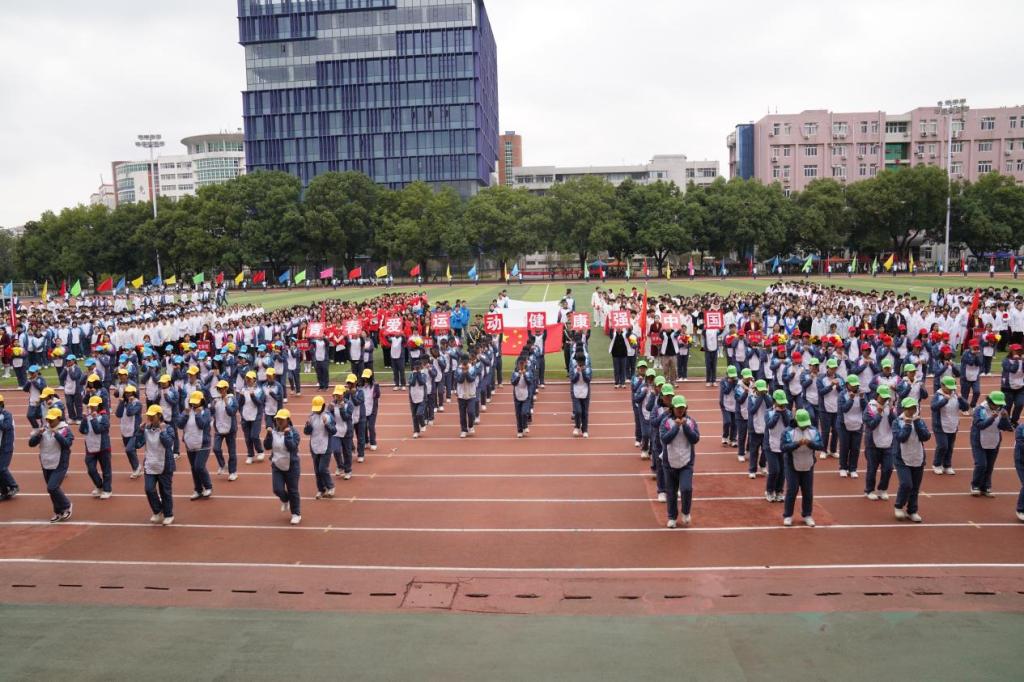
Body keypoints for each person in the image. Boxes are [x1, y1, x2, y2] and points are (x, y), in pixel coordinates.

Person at [660, 394, 700, 528]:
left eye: (682, 408)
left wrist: (685, 427)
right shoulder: (666, 422)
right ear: (672, 408)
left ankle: (686, 512)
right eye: (678, 408)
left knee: (686, 488)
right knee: (671, 492)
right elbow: (665, 439)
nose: (680, 410)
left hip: (686, 462)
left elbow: (695, 439)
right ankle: (672, 517)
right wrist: (676, 427)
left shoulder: (691, 422)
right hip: (669, 463)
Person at [28, 407, 74, 522]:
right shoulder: (44, 429)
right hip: (46, 462)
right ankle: (58, 511)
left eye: (52, 420)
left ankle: (67, 505)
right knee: (51, 489)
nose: (49, 422)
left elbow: (67, 444)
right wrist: (38, 434)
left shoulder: (65, 429)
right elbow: (31, 444)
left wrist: (56, 434)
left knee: (52, 487)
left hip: (60, 463)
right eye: (48, 419)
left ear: (58, 418)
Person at [781, 408, 824, 526]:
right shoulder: (788, 432)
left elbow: (821, 445)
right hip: (792, 465)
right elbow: (783, 447)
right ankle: (788, 515)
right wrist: (797, 444)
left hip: (808, 464)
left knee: (808, 491)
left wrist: (810, 443)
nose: (805, 427)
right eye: (802, 424)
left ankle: (807, 515)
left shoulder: (813, 431)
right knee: (792, 490)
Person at [969, 391, 1012, 497]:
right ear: (989, 401)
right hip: (979, 440)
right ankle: (975, 485)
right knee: (981, 464)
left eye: (999, 404)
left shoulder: (1002, 410)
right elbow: (980, 425)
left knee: (989, 466)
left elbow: (1006, 428)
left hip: (994, 440)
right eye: (995, 404)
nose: (997, 406)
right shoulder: (980, 409)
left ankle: (986, 486)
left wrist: (1005, 418)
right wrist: (992, 418)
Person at [894, 397, 931, 522]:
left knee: (915, 487)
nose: (911, 411)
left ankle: (912, 510)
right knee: (906, 484)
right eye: (909, 408)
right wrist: (908, 425)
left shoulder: (919, 421)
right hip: (902, 458)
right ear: (903, 408)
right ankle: (899, 506)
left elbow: (926, 436)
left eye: (913, 408)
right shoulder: (897, 422)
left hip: (918, 457)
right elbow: (901, 438)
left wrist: (917, 423)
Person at [264, 408, 302, 525]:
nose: (279, 421)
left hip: (292, 466)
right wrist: (268, 435)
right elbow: (267, 446)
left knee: (293, 491)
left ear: (288, 420)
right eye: (277, 419)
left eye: (282, 419)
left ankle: (296, 514)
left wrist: (287, 435)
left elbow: (292, 447)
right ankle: (285, 500)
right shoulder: (273, 431)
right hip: (277, 465)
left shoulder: (294, 433)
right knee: (277, 489)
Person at [142, 404, 176, 525]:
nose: (150, 418)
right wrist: (139, 431)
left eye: (153, 416)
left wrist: (162, 431)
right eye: (149, 416)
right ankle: (158, 511)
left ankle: (168, 514)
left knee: (165, 491)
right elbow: (137, 444)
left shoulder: (168, 428)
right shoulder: (146, 429)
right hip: (150, 464)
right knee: (149, 489)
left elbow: (168, 444)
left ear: (159, 416)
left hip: (165, 464)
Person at [177, 390, 213, 500]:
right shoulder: (186, 411)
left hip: (203, 444)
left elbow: (202, 425)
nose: (194, 404)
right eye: (192, 402)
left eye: (196, 402)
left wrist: (197, 414)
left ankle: (208, 486)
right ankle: (198, 489)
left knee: (199, 466)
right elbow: (180, 425)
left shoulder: (206, 412)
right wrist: (186, 414)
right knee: (194, 468)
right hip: (190, 444)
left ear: (202, 401)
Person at [863, 385, 896, 501]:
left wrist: (891, 411)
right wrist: (879, 414)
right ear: (877, 395)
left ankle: (882, 489)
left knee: (888, 468)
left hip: (888, 442)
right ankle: (869, 490)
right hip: (873, 443)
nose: (885, 399)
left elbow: (894, 423)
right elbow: (871, 425)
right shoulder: (870, 407)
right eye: (883, 397)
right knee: (872, 468)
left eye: (887, 397)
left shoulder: (889, 407)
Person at [931, 375, 969, 475]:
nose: (951, 390)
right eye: (949, 387)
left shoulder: (956, 395)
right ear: (942, 386)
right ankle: (937, 464)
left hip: (953, 424)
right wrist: (944, 400)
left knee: (950, 447)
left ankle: (947, 465)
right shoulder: (938, 396)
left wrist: (961, 399)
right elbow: (933, 407)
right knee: (943, 445)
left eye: (952, 388)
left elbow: (965, 408)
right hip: (940, 426)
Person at [79, 395, 112, 499]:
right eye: (91, 406)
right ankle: (99, 486)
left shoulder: (104, 417)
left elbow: (98, 430)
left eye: (94, 406)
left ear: (99, 406)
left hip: (103, 447)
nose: (92, 408)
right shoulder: (88, 416)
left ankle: (107, 490)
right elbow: (82, 430)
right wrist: (84, 419)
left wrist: (93, 419)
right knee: (91, 469)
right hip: (90, 447)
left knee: (106, 470)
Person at [305, 396, 337, 499]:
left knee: (322, 468)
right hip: (314, 446)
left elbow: (334, 431)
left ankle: (330, 487)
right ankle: (321, 489)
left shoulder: (328, 416)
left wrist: (326, 424)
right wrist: (308, 426)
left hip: (325, 446)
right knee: (317, 470)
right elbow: (306, 432)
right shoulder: (311, 417)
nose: (317, 411)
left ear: (323, 406)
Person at [764, 390, 792, 503]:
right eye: (780, 403)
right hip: (770, 445)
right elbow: (770, 425)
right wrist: (777, 413)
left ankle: (779, 491)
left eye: (783, 403)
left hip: (783, 445)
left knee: (783, 471)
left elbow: (788, 424)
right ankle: (769, 491)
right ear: (774, 401)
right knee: (774, 470)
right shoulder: (768, 412)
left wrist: (783, 412)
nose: (782, 405)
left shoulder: (788, 412)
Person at [837, 375, 866, 478]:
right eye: (852, 385)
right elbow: (844, 409)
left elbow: (865, 408)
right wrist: (851, 399)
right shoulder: (842, 395)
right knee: (844, 447)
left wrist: (862, 398)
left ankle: (853, 469)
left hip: (858, 424)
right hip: (844, 424)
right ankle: (843, 468)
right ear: (847, 384)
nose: (854, 387)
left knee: (855, 448)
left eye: (856, 385)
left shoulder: (861, 393)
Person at [211, 380, 239, 480]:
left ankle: (233, 472)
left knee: (232, 452)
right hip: (219, 429)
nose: (220, 390)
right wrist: (212, 406)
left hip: (230, 429)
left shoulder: (232, 399)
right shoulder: (216, 400)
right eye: (218, 388)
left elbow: (232, 413)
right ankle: (222, 464)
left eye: (222, 388)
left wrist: (227, 403)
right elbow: (211, 412)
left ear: (226, 388)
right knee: (216, 448)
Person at [115, 385, 144, 478]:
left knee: (129, 449)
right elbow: (118, 414)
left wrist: (130, 403)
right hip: (125, 430)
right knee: (131, 451)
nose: (128, 395)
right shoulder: (124, 402)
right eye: (126, 393)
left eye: (130, 393)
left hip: (134, 431)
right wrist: (121, 403)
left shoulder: (137, 404)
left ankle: (137, 467)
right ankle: (136, 468)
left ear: (134, 394)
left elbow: (130, 413)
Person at [238, 371, 265, 465]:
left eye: (250, 378)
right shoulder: (243, 389)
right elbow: (240, 404)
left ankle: (260, 451)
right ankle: (250, 455)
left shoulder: (259, 390)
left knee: (254, 436)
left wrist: (252, 395)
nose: (248, 380)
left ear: (254, 379)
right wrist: (241, 397)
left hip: (256, 416)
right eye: (247, 378)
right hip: (245, 416)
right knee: (247, 438)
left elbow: (259, 403)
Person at [329, 384, 354, 480]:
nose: (338, 396)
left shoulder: (349, 404)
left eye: (340, 394)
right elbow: (330, 418)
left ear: (344, 394)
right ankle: (340, 466)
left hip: (347, 431)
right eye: (336, 394)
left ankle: (348, 470)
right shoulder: (332, 404)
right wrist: (330, 410)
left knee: (347, 452)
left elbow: (346, 418)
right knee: (336, 450)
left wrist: (342, 408)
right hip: (336, 431)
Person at [511, 354, 534, 438]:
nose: (521, 366)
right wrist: (518, 375)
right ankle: (520, 430)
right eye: (519, 364)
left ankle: (525, 425)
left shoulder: (528, 372)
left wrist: (524, 375)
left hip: (526, 395)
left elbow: (529, 382)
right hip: (517, 395)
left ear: (525, 364)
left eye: (522, 364)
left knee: (524, 412)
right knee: (518, 414)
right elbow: (513, 382)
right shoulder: (514, 373)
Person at [570, 353, 592, 438]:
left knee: (584, 412)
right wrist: (578, 373)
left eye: (582, 362)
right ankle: (577, 426)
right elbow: (573, 380)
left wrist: (583, 371)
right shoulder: (573, 368)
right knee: (578, 411)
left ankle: (585, 430)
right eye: (579, 362)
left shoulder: (588, 369)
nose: (580, 364)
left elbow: (588, 380)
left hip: (585, 392)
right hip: (576, 391)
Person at [0, 394, 17, 500]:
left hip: (6, 446)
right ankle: (4, 491)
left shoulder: (7, 415)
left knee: (2, 468)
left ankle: (13, 486)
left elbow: (6, 427)